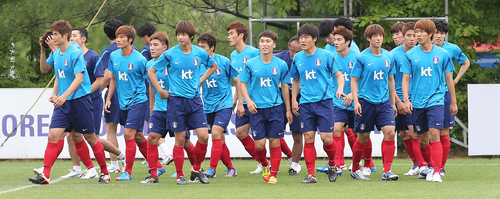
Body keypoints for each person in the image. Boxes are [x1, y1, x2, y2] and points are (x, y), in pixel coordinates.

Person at [29, 20, 110, 184]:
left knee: (90, 138)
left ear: (64, 35)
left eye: (55, 34)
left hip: (80, 101)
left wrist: (63, 96)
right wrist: (42, 50)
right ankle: (45, 174)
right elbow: (46, 70)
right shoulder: (56, 52)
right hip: (63, 103)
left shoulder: (75, 52)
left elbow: (79, 78)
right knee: (53, 135)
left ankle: (104, 172)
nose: (52, 37)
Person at [150, 20, 218, 185]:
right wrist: (160, 90)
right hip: (176, 102)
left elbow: (213, 66)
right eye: (178, 34)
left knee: (203, 136)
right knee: (180, 139)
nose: (180, 37)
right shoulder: (170, 54)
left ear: (191, 36)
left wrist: (200, 80)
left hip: (195, 101)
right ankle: (180, 175)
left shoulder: (199, 53)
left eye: (183, 34)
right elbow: (151, 71)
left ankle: (196, 169)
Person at [105, 25, 165, 181]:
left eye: (122, 37)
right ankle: (157, 166)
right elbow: (113, 78)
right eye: (117, 37)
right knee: (138, 136)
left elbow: (150, 79)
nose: (118, 40)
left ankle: (128, 172)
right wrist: (109, 98)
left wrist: (158, 96)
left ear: (130, 40)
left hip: (138, 101)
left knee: (128, 134)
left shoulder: (139, 59)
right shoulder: (114, 56)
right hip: (123, 102)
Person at [401, 19, 458, 183]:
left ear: (430, 34)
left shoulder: (442, 54)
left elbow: (449, 80)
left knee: (435, 134)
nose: (418, 35)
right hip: (417, 102)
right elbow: (405, 79)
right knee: (423, 139)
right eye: (416, 31)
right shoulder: (410, 55)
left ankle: (438, 171)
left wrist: (453, 102)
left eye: (421, 32)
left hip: (437, 100)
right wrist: (406, 100)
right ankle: (431, 166)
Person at [69, 27, 126, 179]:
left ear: (83, 39)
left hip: (91, 101)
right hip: (74, 102)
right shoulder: (70, 56)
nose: (71, 38)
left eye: (74, 35)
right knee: (72, 135)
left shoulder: (93, 57)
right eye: (70, 36)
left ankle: (119, 155)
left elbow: (102, 79)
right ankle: (79, 169)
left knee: (92, 137)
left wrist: (85, 93)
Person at [291, 24, 345, 184]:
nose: (303, 40)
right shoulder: (298, 58)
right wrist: (294, 99)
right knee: (308, 137)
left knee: (327, 139)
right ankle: (311, 175)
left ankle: (333, 164)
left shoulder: (327, 55)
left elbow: (339, 75)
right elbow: (296, 80)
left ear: (315, 39)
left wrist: (340, 88)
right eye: (301, 37)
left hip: (325, 102)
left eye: (306, 37)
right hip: (306, 104)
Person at [240, 30, 292, 184]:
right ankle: (264, 164)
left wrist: (288, 109)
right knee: (260, 144)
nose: (264, 44)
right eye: (262, 41)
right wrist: (248, 101)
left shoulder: (281, 64)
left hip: (276, 107)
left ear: (274, 45)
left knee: (275, 142)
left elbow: (285, 88)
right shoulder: (250, 64)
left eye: (268, 41)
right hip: (256, 109)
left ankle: (274, 174)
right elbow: (242, 83)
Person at [349, 24, 398, 181]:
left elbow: (391, 80)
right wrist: (356, 102)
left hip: (384, 102)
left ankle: (387, 171)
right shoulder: (362, 58)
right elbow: (354, 80)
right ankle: (356, 167)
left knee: (390, 132)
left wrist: (393, 103)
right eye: (375, 36)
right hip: (365, 102)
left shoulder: (389, 57)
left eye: (381, 35)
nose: (379, 38)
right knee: (362, 137)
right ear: (368, 38)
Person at [195, 33, 239, 178]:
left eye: (204, 47)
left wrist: (235, 100)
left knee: (215, 133)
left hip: (224, 104)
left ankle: (212, 169)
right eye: (199, 47)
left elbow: (238, 80)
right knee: (219, 139)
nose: (201, 51)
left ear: (212, 48)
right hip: (207, 106)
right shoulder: (197, 65)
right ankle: (231, 168)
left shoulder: (224, 62)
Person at [432, 19, 470, 176]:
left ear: (445, 35)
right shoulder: (425, 50)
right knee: (430, 133)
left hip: (446, 93)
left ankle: (441, 166)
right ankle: (428, 165)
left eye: (442, 33)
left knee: (444, 131)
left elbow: (466, 63)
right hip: (428, 95)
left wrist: (456, 80)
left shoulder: (452, 49)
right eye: (437, 33)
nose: (439, 36)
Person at [390, 22, 426, 176]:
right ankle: (416, 164)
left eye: (414, 35)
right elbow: (389, 80)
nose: (412, 39)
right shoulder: (393, 55)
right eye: (409, 35)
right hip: (397, 99)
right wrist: (398, 101)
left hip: (415, 100)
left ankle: (424, 165)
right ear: (402, 36)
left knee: (415, 132)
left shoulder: (422, 53)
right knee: (404, 133)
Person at [227, 21, 264, 173]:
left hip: (256, 100)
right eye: (228, 34)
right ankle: (263, 162)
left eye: (231, 34)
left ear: (241, 35)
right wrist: (236, 100)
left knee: (265, 136)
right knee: (240, 133)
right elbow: (239, 80)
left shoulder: (254, 52)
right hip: (242, 99)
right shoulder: (233, 55)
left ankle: (290, 159)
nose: (228, 37)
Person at [97, 19, 133, 173]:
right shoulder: (133, 49)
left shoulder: (108, 51)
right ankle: (149, 162)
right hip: (133, 94)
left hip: (116, 94)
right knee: (133, 132)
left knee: (111, 130)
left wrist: (99, 92)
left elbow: (107, 76)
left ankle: (115, 165)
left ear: (106, 34)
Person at [329, 26, 359, 176]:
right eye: (335, 40)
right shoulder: (331, 56)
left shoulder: (357, 57)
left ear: (348, 42)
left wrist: (353, 95)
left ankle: (366, 163)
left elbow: (363, 80)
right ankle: (338, 163)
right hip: (338, 101)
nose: (336, 43)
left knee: (361, 134)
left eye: (339, 40)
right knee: (336, 129)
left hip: (356, 101)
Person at [275, 36, 303, 175]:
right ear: (288, 46)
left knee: (297, 135)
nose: (294, 54)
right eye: (292, 50)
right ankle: (275, 164)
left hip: (299, 100)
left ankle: (294, 165)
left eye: (298, 52)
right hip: (280, 100)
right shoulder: (278, 59)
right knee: (274, 135)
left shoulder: (306, 59)